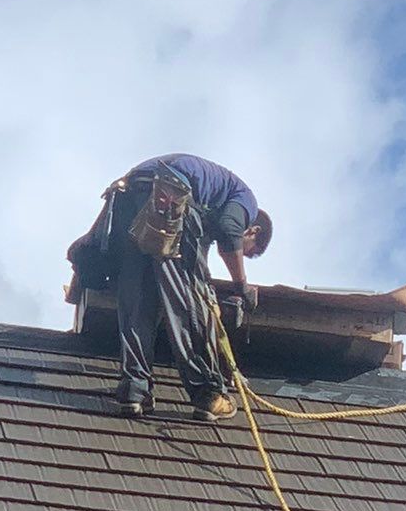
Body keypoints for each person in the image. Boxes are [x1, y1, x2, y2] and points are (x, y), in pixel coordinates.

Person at [67, 154, 275, 419]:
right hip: (170, 200)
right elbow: (229, 230)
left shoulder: (212, 199)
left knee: (137, 300)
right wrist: (241, 286)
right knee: (188, 300)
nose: (238, 255)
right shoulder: (246, 200)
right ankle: (208, 394)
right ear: (253, 231)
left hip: (128, 198)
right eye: (247, 252)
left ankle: (135, 390)